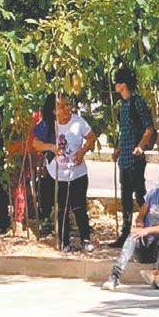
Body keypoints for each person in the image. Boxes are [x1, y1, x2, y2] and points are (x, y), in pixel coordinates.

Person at [102, 168, 159, 290]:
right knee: (133, 234)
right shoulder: (155, 194)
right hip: (143, 245)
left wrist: (146, 230)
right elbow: (141, 215)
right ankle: (115, 276)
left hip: (158, 250)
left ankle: (157, 273)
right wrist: (139, 226)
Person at [32, 93, 97, 252]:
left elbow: (91, 138)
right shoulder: (47, 124)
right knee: (62, 208)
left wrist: (82, 151)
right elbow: (36, 144)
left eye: (68, 104)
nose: (68, 108)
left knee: (79, 207)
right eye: (62, 106)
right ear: (54, 111)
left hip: (78, 173)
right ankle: (64, 242)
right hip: (57, 174)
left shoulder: (78, 121)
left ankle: (85, 239)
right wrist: (52, 147)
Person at [109, 67, 156, 248]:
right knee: (126, 198)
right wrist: (119, 149)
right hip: (125, 159)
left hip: (135, 158)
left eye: (117, 82)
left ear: (123, 84)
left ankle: (147, 232)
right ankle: (125, 234)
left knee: (140, 196)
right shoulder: (123, 105)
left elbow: (149, 127)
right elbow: (126, 132)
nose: (115, 85)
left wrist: (141, 146)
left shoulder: (137, 102)